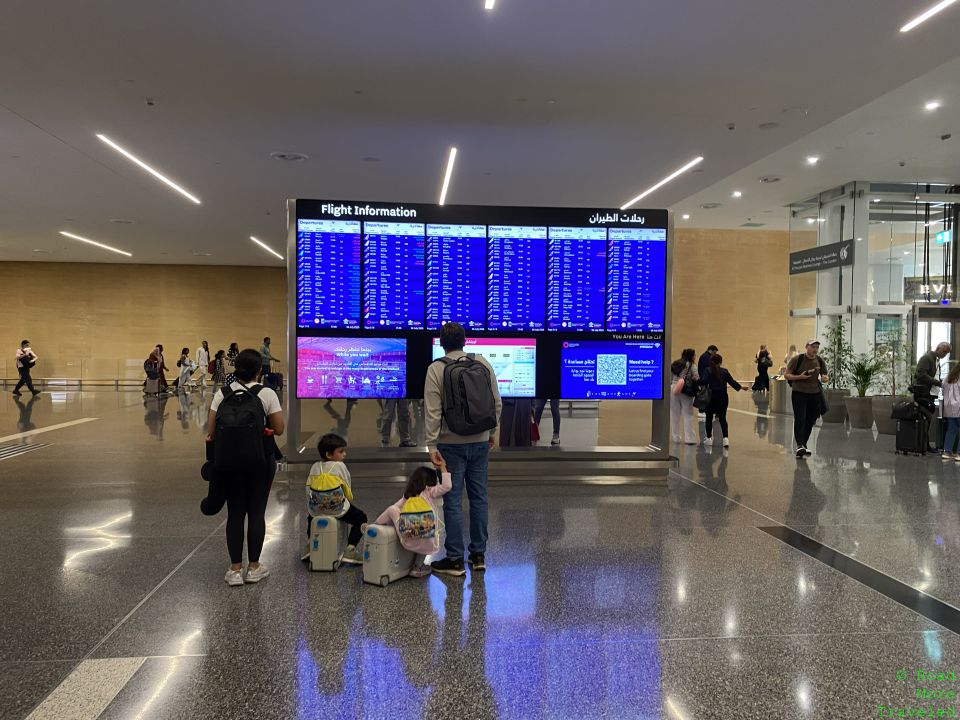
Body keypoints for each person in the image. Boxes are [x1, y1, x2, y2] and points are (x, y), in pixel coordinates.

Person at [424, 322, 502, 577]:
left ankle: (455, 559)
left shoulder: (436, 368)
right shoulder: (482, 362)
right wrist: (491, 432)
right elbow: (496, 402)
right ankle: (478, 556)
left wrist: (431, 445)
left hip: (450, 444)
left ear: (441, 343)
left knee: (453, 500)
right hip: (480, 441)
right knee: (479, 497)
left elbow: (433, 411)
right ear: (465, 340)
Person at [205, 348, 284, 586]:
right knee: (257, 512)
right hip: (260, 460)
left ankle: (235, 570)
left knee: (235, 513)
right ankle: (254, 567)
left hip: (229, 462)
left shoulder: (222, 393)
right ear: (259, 371)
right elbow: (279, 429)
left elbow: (211, 430)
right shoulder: (267, 393)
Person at [370, 459, 452, 578]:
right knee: (426, 533)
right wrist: (443, 467)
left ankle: (373, 526)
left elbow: (395, 508)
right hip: (428, 542)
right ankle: (417, 567)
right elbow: (447, 486)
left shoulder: (408, 495)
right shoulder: (430, 492)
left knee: (392, 510)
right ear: (430, 482)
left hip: (408, 540)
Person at [306, 433, 366, 565]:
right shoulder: (340, 466)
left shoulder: (315, 466)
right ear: (329, 454)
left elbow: (308, 488)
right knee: (361, 517)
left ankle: (310, 544)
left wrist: (313, 505)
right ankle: (350, 549)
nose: (344, 454)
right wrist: (348, 501)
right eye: (341, 451)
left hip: (317, 509)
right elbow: (347, 487)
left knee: (310, 516)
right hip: (337, 509)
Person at [784, 340, 829, 458]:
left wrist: (825, 378)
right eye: (813, 347)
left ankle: (803, 444)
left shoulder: (819, 360)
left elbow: (825, 375)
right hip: (799, 393)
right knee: (800, 418)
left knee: (810, 419)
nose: (815, 349)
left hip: (814, 394)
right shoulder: (797, 359)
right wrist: (800, 377)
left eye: (817, 347)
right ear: (806, 347)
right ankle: (799, 445)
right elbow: (787, 375)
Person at [701, 353, 747, 448]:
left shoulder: (707, 370)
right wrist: (741, 387)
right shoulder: (725, 371)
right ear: (720, 362)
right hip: (723, 397)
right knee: (722, 418)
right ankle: (725, 439)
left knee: (709, 418)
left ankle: (709, 439)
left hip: (711, 397)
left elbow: (703, 381)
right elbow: (732, 382)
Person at [913, 342, 952, 453]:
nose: (945, 354)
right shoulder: (927, 358)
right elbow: (921, 375)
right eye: (944, 351)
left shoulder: (936, 360)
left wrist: (942, 382)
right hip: (923, 394)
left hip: (930, 394)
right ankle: (922, 445)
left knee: (927, 420)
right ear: (938, 348)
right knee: (926, 419)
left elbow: (934, 376)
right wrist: (938, 383)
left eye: (947, 353)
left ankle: (924, 445)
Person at [670, 348, 699, 445]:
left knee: (674, 413)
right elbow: (696, 377)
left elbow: (670, 377)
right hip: (686, 389)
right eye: (694, 355)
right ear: (691, 356)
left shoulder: (675, 363)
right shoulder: (692, 365)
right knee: (687, 414)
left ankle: (676, 437)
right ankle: (689, 438)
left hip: (674, 388)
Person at [940, 362, 960, 461]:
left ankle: (947, 452)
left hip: (948, 407)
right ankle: (959, 454)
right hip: (958, 406)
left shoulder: (948, 377)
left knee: (951, 429)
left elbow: (943, 389)